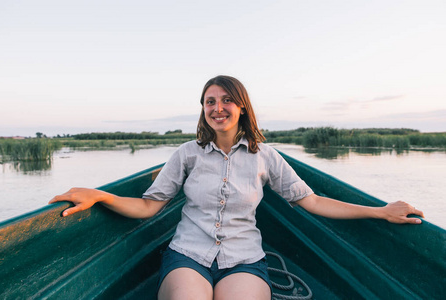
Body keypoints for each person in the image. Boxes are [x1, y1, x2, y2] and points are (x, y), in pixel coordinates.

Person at [49, 75, 425, 300]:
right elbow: (149, 206)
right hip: (188, 256)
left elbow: (311, 201)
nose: (218, 108)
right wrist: (99, 194)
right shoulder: (187, 154)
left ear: (242, 107)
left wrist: (380, 211)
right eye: (210, 101)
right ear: (203, 110)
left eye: (227, 100)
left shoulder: (267, 157)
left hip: (244, 259)